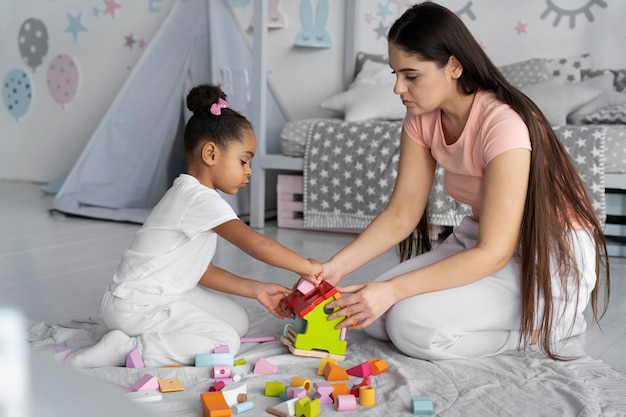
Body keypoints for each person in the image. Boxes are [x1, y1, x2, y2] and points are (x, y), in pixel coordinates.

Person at [322, 2, 610, 361]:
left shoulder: (503, 124)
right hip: (483, 241)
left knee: (409, 326)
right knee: (374, 317)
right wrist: (334, 268)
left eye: (411, 76)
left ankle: (549, 324)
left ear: (454, 67)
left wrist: (393, 290)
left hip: (548, 254)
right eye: (395, 74)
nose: (398, 88)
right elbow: (401, 214)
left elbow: (494, 252)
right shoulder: (422, 118)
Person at [66, 84, 322, 368]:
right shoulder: (198, 199)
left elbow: (202, 272)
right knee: (225, 342)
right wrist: (305, 267)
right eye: (243, 161)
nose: (248, 171)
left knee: (237, 321)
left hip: (159, 296)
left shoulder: (191, 194)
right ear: (211, 154)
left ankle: (136, 335)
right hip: (138, 306)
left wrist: (257, 289)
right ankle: (129, 348)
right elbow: (257, 244)